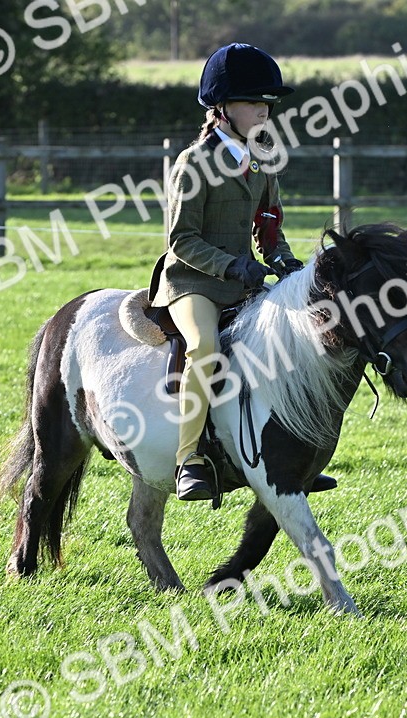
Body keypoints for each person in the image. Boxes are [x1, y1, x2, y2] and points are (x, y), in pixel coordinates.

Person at [150, 43, 334, 501]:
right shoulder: (193, 163)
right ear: (222, 108)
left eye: (267, 103)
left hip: (244, 279)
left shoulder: (262, 159)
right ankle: (189, 459)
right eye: (254, 102)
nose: (264, 111)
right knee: (206, 348)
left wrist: (283, 261)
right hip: (193, 283)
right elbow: (181, 240)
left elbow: (268, 226)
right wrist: (235, 265)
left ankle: (291, 456)